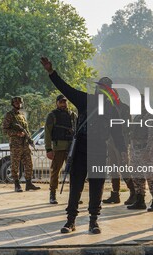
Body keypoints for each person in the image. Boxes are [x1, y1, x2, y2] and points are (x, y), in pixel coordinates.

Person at [41, 57, 125, 234]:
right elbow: (65, 88)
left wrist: (124, 153)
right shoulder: (85, 100)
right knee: (76, 186)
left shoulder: (112, 109)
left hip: (99, 150)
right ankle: (70, 221)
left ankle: (93, 221)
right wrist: (51, 72)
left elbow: (118, 134)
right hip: (80, 149)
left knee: (97, 187)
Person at [101, 88, 135, 205]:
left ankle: (133, 192)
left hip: (121, 141)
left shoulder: (124, 108)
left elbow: (126, 126)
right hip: (110, 141)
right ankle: (115, 194)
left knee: (124, 168)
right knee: (113, 169)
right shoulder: (107, 108)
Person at [127, 95, 153, 211]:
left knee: (151, 176)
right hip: (135, 150)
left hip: (146, 149)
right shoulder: (137, 117)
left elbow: (152, 136)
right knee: (137, 176)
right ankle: (140, 199)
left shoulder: (150, 116)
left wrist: (148, 150)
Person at [2, 96, 40, 192]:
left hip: (25, 144)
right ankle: (17, 184)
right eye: (16, 103)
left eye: (19, 103)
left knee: (28, 164)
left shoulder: (22, 115)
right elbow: (5, 130)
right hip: (16, 145)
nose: (18, 105)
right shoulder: (9, 115)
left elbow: (26, 129)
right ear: (13, 104)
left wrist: (29, 138)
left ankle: (29, 183)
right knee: (15, 165)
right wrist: (17, 133)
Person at [45, 95, 77, 204]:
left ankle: (74, 195)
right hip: (58, 148)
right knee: (55, 171)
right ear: (57, 103)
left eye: (65, 102)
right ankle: (52, 194)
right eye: (61, 102)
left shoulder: (73, 115)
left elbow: (78, 131)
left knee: (73, 172)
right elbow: (47, 133)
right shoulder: (52, 115)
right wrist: (48, 149)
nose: (63, 104)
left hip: (71, 148)